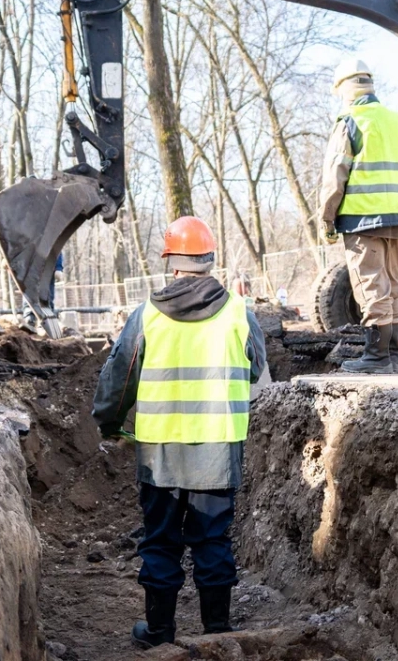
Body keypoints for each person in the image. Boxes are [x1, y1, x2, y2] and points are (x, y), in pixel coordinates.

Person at [91, 216, 267, 648]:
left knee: (161, 541)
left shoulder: (148, 315)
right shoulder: (239, 313)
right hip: (218, 448)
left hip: (160, 453)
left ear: (171, 264)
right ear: (209, 262)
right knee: (212, 539)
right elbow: (257, 369)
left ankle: (159, 633)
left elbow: (119, 377)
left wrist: (109, 421)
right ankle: (218, 633)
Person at [318, 58, 398, 374]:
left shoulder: (351, 120)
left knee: (371, 284)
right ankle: (391, 354)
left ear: (345, 89)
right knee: (390, 284)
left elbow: (336, 173)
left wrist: (326, 218)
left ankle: (376, 356)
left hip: (364, 217)